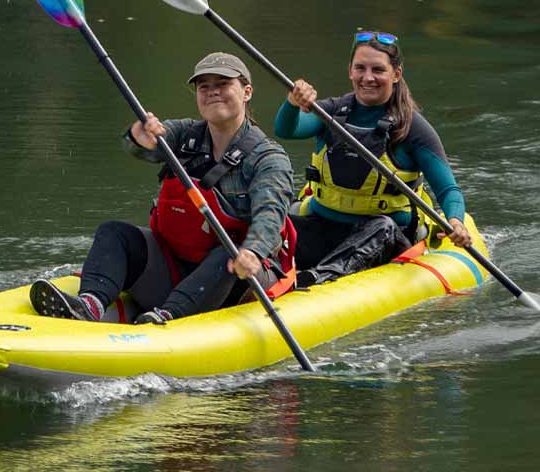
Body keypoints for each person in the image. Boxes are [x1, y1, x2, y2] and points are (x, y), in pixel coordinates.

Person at [30, 52, 296, 324]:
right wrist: (140, 136)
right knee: (115, 232)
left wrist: (253, 250)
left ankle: (168, 317)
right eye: (204, 86)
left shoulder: (268, 158)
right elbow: (146, 147)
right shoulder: (184, 134)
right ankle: (90, 305)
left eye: (223, 84)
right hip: (177, 265)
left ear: (247, 92)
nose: (212, 92)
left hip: (239, 274)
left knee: (228, 252)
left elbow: (270, 213)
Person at [274, 28, 472, 286]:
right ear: (350, 71)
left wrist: (455, 221)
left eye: (378, 70)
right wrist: (292, 102)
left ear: (396, 74)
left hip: (381, 239)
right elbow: (286, 130)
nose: (368, 77)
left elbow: (447, 189)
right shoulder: (332, 112)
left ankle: (315, 280)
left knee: (383, 227)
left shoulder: (412, 128)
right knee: (273, 222)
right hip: (324, 227)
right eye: (360, 68)